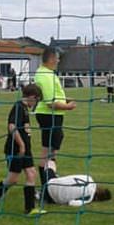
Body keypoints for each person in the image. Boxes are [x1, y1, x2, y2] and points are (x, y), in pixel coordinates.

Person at [0, 83, 46, 215]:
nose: (36, 103)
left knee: (31, 174)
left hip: (25, 150)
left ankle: (30, 209)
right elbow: (12, 127)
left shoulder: (24, 109)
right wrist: (22, 145)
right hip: (16, 149)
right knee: (13, 179)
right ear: (32, 97)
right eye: (37, 100)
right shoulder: (18, 107)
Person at [33, 47, 76, 188]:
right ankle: (48, 183)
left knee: (50, 148)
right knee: (49, 150)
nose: (58, 60)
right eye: (57, 58)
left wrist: (64, 99)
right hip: (49, 115)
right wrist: (68, 106)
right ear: (51, 58)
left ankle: (49, 181)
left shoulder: (46, 73)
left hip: (51, 115)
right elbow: (50, 102)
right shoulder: (45, 75)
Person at [42, 172, 112, 207]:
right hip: (53, 196)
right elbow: (72, 203)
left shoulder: (89, 178)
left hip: (52, 181)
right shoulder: (89, 197)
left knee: (50, 163)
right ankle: (39, 195)